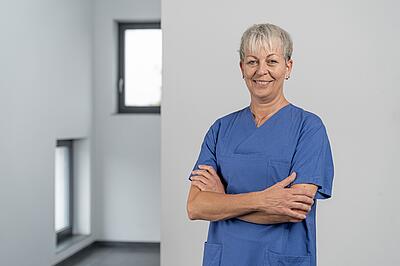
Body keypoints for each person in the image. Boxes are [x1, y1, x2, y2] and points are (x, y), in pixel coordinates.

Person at [186, 23, 335, 266]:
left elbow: (295, 208)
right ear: (242, 68)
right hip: (227, 257)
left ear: (288, 67)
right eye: (252, 61)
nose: (261, 71)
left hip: (279, 257)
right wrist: (264, 200)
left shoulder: (308, 128)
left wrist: (223, 201)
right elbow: (195, 207)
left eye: (272, 61)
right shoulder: (221, 129)